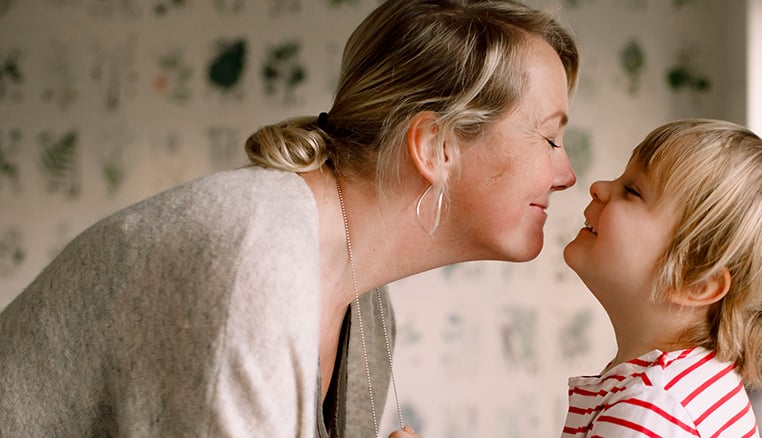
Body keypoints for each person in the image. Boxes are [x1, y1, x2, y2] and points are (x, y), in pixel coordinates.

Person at [0, 0, 579, 436]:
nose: (567, 175)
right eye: (550, 138)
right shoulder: (253, 263)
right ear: (436, 146)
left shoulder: (367, 308)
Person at [558, 119, 762, 437]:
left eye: (632, 191)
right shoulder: (695, 386)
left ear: (694, 281)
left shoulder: (650, 408)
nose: (599, 186)